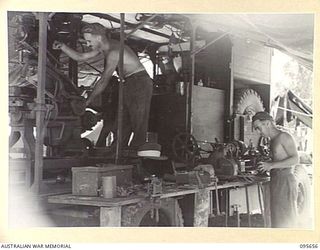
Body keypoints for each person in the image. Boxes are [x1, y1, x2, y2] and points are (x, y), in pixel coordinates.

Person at [53, 22, 153, 150]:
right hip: (128, 82)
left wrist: (87, 101)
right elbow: (80, 56)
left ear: (99, 37)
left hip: (140, 82)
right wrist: (62, 46)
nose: (88, 44)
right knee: (123, 120)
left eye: (89, 40)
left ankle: (137, 153)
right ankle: (118, 150)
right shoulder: (103, 47)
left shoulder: (114, 51)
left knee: (138, 120)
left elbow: (104, 80)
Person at [252, 111, 299, 228]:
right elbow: (279, 159)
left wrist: (271, 165)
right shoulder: (272, 140)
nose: (258, 132)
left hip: (285, 181)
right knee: (277, 218)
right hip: (276, 180)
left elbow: (295, 159)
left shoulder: (283, 137)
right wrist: (268, 162)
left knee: (286, 219)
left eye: (258, 128)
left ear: (267, 123)